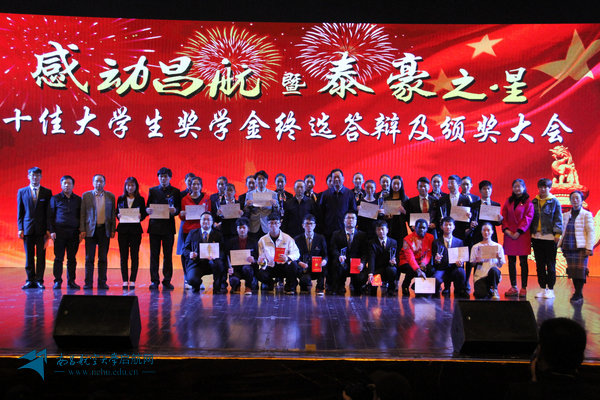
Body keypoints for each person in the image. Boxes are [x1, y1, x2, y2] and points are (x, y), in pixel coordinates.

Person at [505, 318, 596, 400]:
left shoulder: (517, 393)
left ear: (540, 354)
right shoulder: (592, 394)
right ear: (581, 358)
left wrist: (534, 384)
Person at [146, 167, 181, 290]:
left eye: (165, 176)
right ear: (158, 178)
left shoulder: (175, 191)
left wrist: (175, 210)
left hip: (168, 228)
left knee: (168, 255)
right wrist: (147, 210)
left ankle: (167, 280)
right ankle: (154, 281)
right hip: (154, 227)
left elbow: (178, 208)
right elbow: (147, 206)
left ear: (170, 178)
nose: (163, 179)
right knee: (154, 255)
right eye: (161, 176)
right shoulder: (153, 190)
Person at [80, 174, 116, 290]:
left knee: (103, 258)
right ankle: (88, 283)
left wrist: (113, 229)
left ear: (104, 183)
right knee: (89, 258)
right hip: (90, 230)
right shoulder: (86, 196)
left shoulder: (110, 196)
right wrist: (82, 229)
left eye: (101, 181)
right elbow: (82, 214)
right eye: (96, 181)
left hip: (104, 230)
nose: (99, 183)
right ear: (93, 183)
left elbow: (112, 214)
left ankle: (102, 282)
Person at [18, 167, 52, 289]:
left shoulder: (47, 192)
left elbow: (49, 213)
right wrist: (20, 228)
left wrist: (48, 229)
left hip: (42, 230)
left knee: (41, 256)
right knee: (29, 256)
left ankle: (39, 280)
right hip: (27, 229)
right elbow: (20, 212)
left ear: (41, 177)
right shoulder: (22, 192)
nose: (35, 177)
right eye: (32, 175)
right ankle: (29, 280)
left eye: (37, 175)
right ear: (28, 176)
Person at [559, 191, 595, 303]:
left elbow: (591, 232)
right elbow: (562, 230)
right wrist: (560, 243)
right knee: (573, 271)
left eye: (577, 198)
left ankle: (578, 293)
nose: (575, 200)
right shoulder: (566, 215)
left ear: (582, 200)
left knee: (580, 270)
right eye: (573, 198)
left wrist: (589, 247)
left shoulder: (586, 214)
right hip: (568, 245)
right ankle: (577, 292)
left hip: (581, 247)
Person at [467, 180, 502, 292]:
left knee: (492, 261)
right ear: (480, 191)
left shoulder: (496, 205)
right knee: (478, 261)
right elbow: (471, 220)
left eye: (488, 189)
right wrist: (471, 223)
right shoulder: (474, 205)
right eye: (484, 189)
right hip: (478, 237)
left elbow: (497, 223)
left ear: (491, 190)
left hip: (491, 238)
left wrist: (500, 220)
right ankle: (477, 283)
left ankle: (493, 286)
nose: (486, 191)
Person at [531, 178, 563, 300]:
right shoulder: (534, 201)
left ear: (550, 188)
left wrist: (557, 234)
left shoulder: (554, 201)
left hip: (550, 237)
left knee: (550, 265)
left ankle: (550, 289)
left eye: (545, 187)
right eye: (541, 187)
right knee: (539, 265)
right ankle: (542, 288)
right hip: (536, 237)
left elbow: (558, 219)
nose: (543, 189)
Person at [502, 178, 534, 298]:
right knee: (511, 262)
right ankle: (513, 286)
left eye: (519, 186)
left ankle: (523, 287)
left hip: (522, 235)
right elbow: (504, 216)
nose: (517, 188)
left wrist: (519, 231)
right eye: (515, 186)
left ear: (524, 188)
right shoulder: (508, 201)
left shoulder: (528, 202)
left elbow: (528, 218)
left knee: (523, 262)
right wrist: (507, 230)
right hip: (509, 235)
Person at [47, 175, 80, 290]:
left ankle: (71, 281)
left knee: (72, 259)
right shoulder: (55, 198)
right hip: (59, 233)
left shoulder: (78, 199)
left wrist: (81, 231)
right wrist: (52, 231)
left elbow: (81, 216)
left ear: (73, 185)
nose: (67, 185)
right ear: (61, 185)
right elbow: (50, 216)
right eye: (64, 183)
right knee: (58, 258)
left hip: (73, 233)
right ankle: (57, 281)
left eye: (69, 183)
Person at [256, 212, 300, 295]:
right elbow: (261, 256)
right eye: (271, 223)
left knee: (293, 265)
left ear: (280, 224)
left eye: (276, 223)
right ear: (267, 225)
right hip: (270, 266)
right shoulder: (262, 240)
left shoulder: (287, 238)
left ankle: (289, 285)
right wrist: (262, 261)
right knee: (259, 273)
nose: (273, 225)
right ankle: (270, 283)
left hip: (284, 266)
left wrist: (287, 258)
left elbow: (296, 253)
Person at [182, 212, 226, 293]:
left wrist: (217, 256)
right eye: (203, 219)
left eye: (208, 220)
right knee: (191, 279)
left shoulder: (218, 234)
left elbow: (223, 250)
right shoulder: (192, 233)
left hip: (213, 262)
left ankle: (217, 287)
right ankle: (197, 284)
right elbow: (185, 249)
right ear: (200, 221)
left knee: (219, 264)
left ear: (212, 222)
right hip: (197, 263)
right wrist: (190, 254)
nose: (206, 222)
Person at [178, 176, 210, 285]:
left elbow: (209, 213)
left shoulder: (207, 198)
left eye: (198, 184)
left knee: (202, 255)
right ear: (190, 186)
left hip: (203, 231)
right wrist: (181, 214)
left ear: (201, 186)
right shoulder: (184, 199)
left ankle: (198, 279)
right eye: (193, 184)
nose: (195, 186)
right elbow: (182, 217)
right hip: (188, 231)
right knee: (187, 254)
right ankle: (187, 278)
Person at [116, 176, 147, 289]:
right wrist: (118, 215)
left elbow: (144, 214)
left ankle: (133, 280)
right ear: (125, 186)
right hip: (123, 230)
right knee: (123, 256)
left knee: (134, 256)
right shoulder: (120, 198)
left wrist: (141, 216)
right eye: (128, 185)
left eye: (132, 185)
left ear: (136, 187)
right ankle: (125, 280)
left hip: (135, 231)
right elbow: (117, 212)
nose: (130, 187)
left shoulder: (141, 199)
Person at [330, 212, 369, 296]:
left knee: (359, 282)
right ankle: (340, 286)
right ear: (344, 220)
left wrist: (362, 263)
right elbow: (333, 249)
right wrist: (339, 256)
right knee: (336, 265)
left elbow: (365, 252)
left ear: (356, 221)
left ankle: (357, 286)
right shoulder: (336, 234)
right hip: (342, 262)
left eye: (353, 218)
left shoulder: (362, 235)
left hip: (356, 264)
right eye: (348, 218)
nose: (350, 220)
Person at [432, 217, 468, 298]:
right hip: (442, 269)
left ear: (454, 227)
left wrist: (460, 263)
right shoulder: (436, 242)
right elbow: (434, 261)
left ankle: (459, 291)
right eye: (445, 225)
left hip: (454, 269)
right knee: (436, 279)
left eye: (450, 225)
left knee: (461, 271)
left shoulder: (459, 242)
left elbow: (462, 259)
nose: (448, 227)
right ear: (441, 227)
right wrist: (436, 260)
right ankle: (438, 293)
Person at [319, 168, 357, 241]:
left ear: (343, 179)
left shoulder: (349, 193)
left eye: (338, 177)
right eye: (334, 177)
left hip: (344, 230)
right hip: (328, 230)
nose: (336, 179)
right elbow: (321, 213)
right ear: (331, 179)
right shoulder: (325, 194)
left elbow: (353, 211)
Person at [294, 214, 328, 295]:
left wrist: (324, 261)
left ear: (315, 225)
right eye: (307, 223)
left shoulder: (320, 238)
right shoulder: (297, 239)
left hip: (317, 267)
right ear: (303, 225)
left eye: (311, 223)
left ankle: (320, 287)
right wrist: (300, 263)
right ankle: (304, 284)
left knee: (324, 267)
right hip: (303, 267)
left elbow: (325, 255)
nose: (309, 226)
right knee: (305, 283)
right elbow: (294, 256)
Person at [398, 218, 434, 296]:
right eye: (419, 227)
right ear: (415, 228)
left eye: (424, 228)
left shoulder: (430, 237)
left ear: (427, 228)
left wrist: (423, 263)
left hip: (421, 260)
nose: (422, 230)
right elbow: (409, 257)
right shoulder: (407, 239)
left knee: (431, 269)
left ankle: (416, 285)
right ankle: (405, 285)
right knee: (411, 269)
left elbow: (428, 253)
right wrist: (418, 269)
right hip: (406, 261)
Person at [470, 222, 505, 299]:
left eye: (488, 230)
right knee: (481, 295)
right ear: (481, 232)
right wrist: (476, 260)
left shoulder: (498, 246)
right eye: (484, 230)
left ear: (492, 231)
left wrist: (499, 258)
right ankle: (488, 290)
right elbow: (472, 264)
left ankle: (495, 289)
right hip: (480, 276)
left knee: (494, 270)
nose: (486, 232)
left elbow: (500, 265)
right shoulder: (476, 247)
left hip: (493, 275)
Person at [225, 217, 257, 295]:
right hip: (235, 269)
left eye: (244, 227)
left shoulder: (254, 242)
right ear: (236, 229)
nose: (242, 230)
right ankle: (236, 286)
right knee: (233, 281)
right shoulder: (231, 242)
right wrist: (229, 267)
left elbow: (258, 258)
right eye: (239, 228)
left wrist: (254, 260)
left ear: (248, 229)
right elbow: (227, 257)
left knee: (247, 268)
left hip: (248, 269)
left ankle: (248, 287)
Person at [367, 220, 399, 296]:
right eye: (378, 229)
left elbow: (396, 257)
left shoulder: (393, 242)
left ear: (387, 230)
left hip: (388, 267)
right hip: (377, 269)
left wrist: (394, 262)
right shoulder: (372, 243)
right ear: (376, 231)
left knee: (393, 270)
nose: (381, 231)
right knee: (372, 292)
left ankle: (391, 288)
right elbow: (371, 259)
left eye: (382, 229)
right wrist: (371, 273)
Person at [244, 170, 278, 241]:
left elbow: (277, 211)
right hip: (253, 225)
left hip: (267, 225)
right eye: (259, 179)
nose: (261, 181)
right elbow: (246, 211)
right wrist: (247, 205)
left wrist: (275, 205)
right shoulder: (249, 194)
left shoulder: (273, 194)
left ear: (267, 181)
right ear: (256, 181)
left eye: (263, 179)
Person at [438, 175, 472, 241]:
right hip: (446, 231)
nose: (450, 185)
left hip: (461, 231)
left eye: (452, 183)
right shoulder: (442, 199)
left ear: (459, 185)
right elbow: (439, 214)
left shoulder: (466, 199)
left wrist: (469, 216)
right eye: (449, 183)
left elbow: (470, 215)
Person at [382, 175, 409, 245]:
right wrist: (386, 216)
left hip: (401, 227)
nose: (396, 186)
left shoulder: (405, 199)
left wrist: (404, 211)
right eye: (394, 183)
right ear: (391, 184)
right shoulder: (386, 198)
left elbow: (409, 216)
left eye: (398, 184)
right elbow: (383, 214)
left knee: (400, 246)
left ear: (401, 185)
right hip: (389, 226)